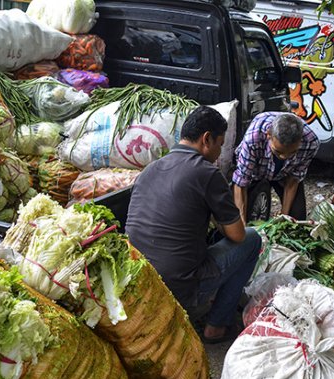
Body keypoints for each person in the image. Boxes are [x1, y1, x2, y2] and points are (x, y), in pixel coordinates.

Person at [125, 106, 262, 344]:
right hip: (179, 285)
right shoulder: (207, 172)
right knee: (252, 239)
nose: (219, 153)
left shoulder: (150, 169)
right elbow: (237, 234)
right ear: (206, 139)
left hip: (141, 280)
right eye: (219, 144)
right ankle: (216, 325)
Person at [232, 112, 317, 223]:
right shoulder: (253, 139)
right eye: (278, 151)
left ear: (300, 140)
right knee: (246, 216)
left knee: (296, 217)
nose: (284, 157)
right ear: (269, 135)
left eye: (292, 152)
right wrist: (242, 226)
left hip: (285, 173)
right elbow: (241, 183)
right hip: (256, 170)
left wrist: (284, 215)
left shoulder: (311, 142)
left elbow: (293, 180)